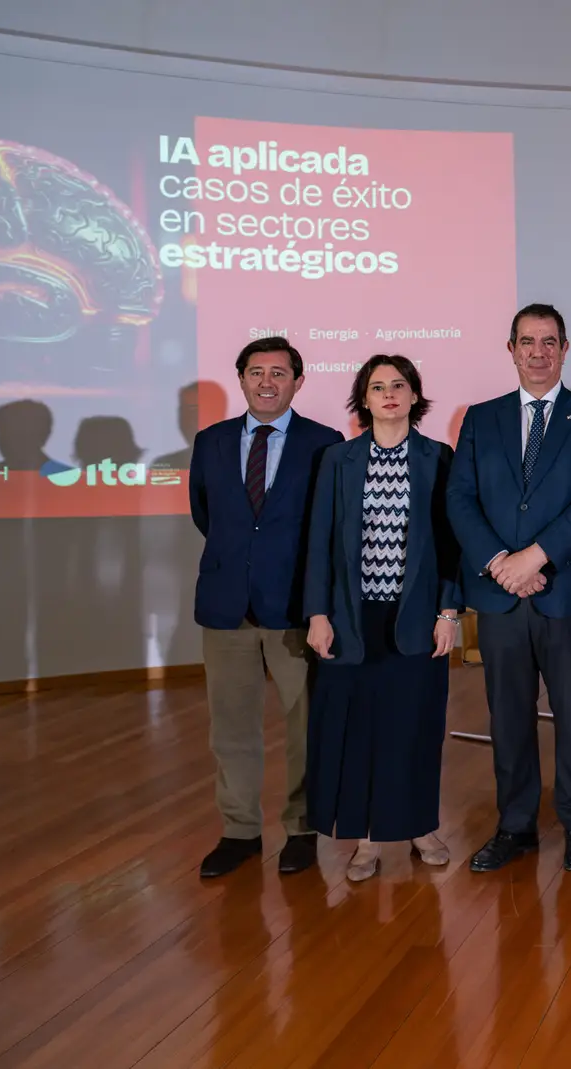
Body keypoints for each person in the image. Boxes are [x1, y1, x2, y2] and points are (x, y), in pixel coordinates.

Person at [446, 304, 571, 873]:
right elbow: (460, 500)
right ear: (511, 349)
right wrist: (502, 562)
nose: (538, 352)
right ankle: (516, 826)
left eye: (550, 342)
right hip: (500, 594)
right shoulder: (480, 418)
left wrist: (536, 557)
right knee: (509, 716)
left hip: (567, 592)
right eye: (528, 342)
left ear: (565, 349)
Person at [302, 355, 462, 881]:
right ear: (363, 399)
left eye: (399, 385)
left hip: (416, 618)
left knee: (415, 727)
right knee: (360, 730)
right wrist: (318, 613)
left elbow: (451, 544)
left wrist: (448, 610)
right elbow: (320, 544)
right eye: (378, 387)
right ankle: (368, 838)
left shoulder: (439, 458)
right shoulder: (337, 460)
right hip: (352, 618)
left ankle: (420, 827)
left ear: (415, 396)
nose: (389, 393)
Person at [189, 336, 343, 878]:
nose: (267, 382)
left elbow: (329, 527)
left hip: (297, 608)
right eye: (256, 372)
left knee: (304, 725)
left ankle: (301, 829)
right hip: (226, 606)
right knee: (230, 728)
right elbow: (206, 514)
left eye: (279, 373)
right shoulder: (211, 441)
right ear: (242, 379)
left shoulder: (325, 443)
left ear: (298, 382)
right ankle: (239, 832)